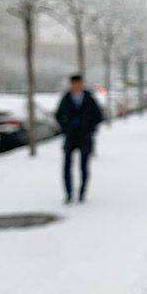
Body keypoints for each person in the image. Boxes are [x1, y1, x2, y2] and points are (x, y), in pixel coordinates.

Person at [55, 75, 103, 204]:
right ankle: (69, 193)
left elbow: (98, 115)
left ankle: (82, 192)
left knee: (83, 166)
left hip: (85, 137)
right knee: (67, 166)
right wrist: (65, 127)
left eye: (78, 84)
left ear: (82, 84)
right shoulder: (66, 98)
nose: (76, 86)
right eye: (74, 84)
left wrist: (90, 128)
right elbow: (58, 115)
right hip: (70, 137)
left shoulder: (89, 98)